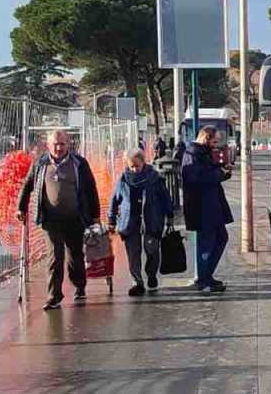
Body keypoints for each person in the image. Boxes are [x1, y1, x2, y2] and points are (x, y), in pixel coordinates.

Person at [16, 130, 101, 310]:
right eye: (55, 144)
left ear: (68, 144)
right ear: (48, 145)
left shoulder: (79, 163)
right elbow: (27, 186)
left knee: (75, 255)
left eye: (62, 144)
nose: (58, 147)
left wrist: (95, 216)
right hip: (50, 220)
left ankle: (79, 285)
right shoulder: (40, 163)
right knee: (55, 257)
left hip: (75, 218)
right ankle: (54, 296)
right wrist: (20, 208)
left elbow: (91, 189)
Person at [109, 149, 173, 297]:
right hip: (130, 221)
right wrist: (111, 220)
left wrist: (169, 214)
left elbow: (165, 197)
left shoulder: (155, 178)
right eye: (131, 166)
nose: (134, 169)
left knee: (152, 250)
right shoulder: (123, 180)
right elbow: (114, 200)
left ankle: (151, 274)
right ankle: (137, 282)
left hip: (151, 220)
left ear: (143, 162)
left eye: (137, 165)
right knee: (133, 254)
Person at [182, 125, 233, 292]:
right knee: (208, 242)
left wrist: (223, 171)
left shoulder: (201, 152)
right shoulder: (193, 154)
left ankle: (207, 276)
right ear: (206, 138)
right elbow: (198, 179)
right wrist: (221, 174)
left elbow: (207, 172)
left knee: (220, 238)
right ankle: (204, 278)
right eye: (214, 141)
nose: (216, 145)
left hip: (211, 207)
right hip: (203, 208)